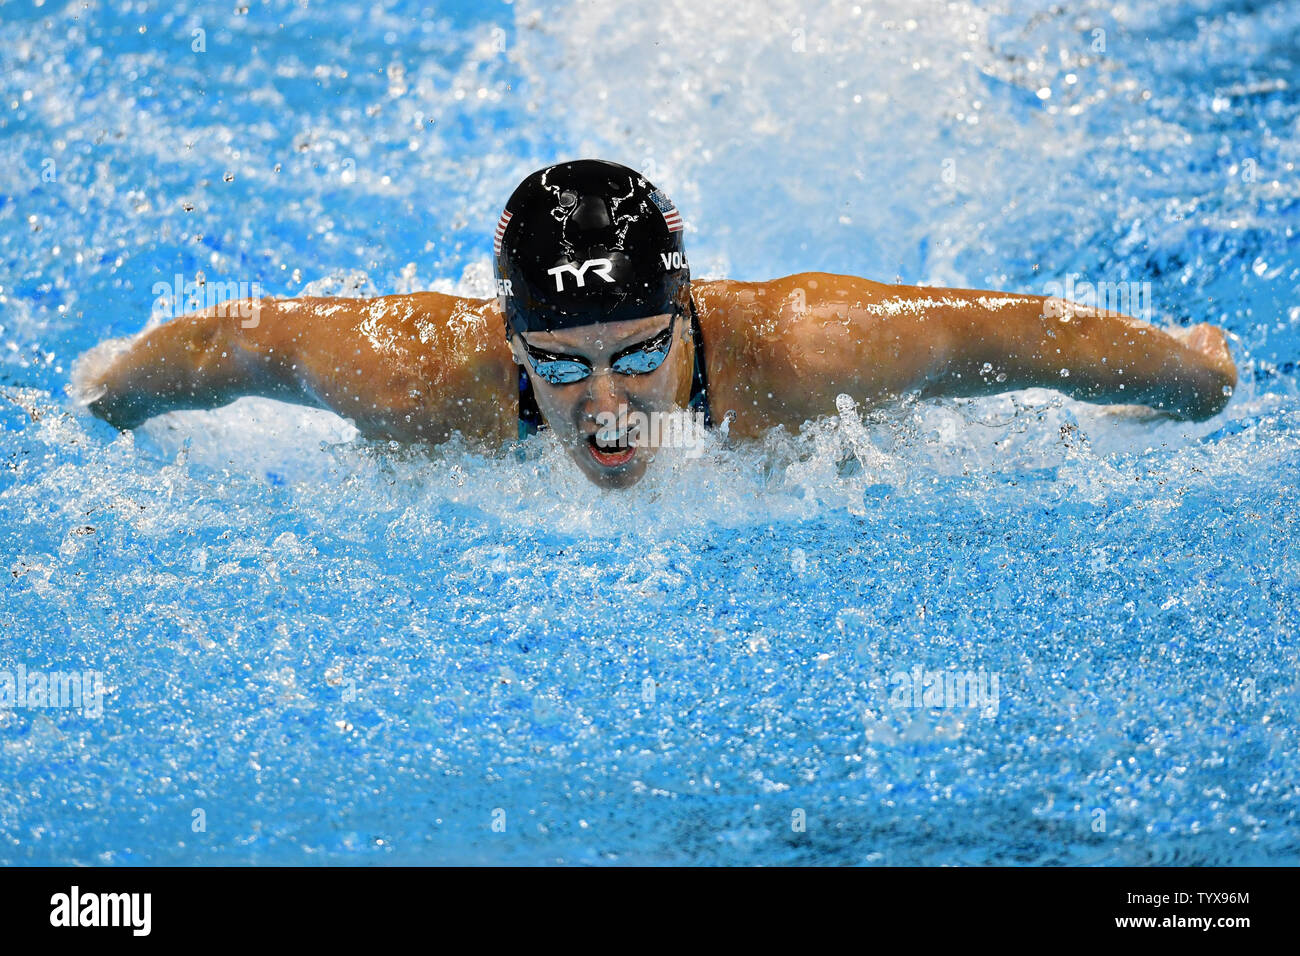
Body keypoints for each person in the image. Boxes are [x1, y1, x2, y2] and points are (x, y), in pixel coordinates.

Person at [74, 158, 1238, 489]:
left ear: (689, 313)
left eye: (639, 352)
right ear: (509, 336)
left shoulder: (812, 346)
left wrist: (1190, 375)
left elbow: (1026, 334)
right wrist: (110, 391)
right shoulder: (414, 374)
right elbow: (237, 341)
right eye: (561, 364)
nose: (605, 404)